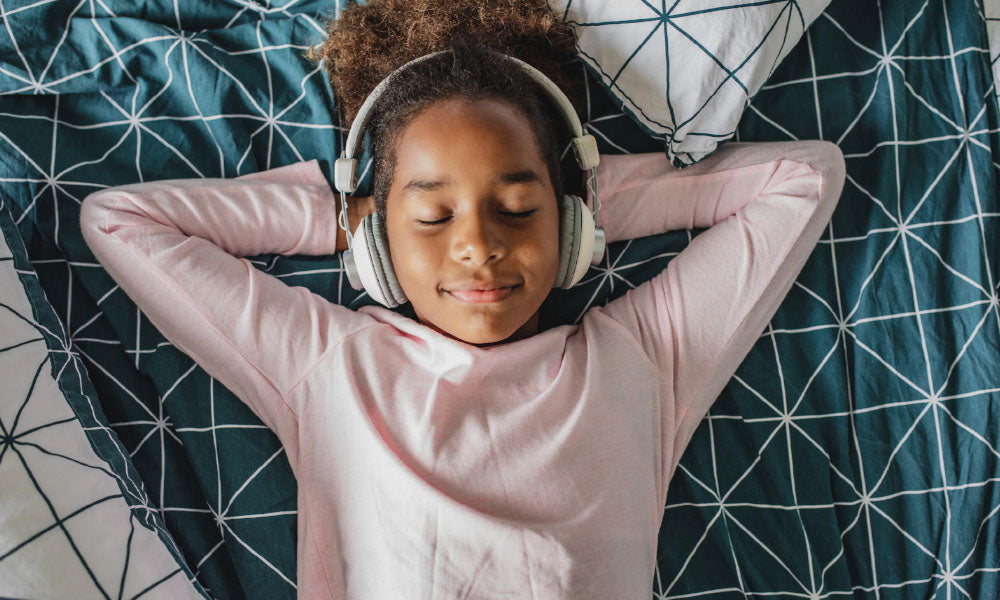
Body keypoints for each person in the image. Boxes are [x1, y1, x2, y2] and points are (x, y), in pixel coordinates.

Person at [79, 1, 846, 598]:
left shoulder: (645, 359)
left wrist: (591, 198)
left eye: (516, 208)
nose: (478, 245)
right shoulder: (329, 366)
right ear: (377, 243)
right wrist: (341, 217)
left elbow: (806, 178)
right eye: (433, 216)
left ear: (572, 223)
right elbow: (119, 220)